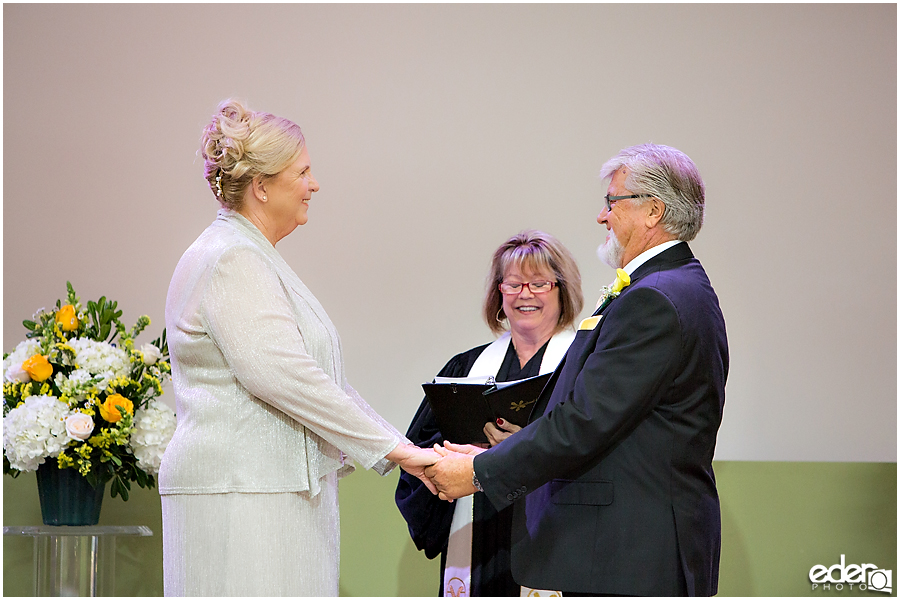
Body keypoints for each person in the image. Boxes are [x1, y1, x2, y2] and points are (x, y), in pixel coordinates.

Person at [159, 99, 437, 597]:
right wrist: (398, 450)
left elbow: (316, 376)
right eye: (303, 171)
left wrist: (403, 447)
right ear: (262, 186)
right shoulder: (233, 258)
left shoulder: (249, 253)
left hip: (264, 488)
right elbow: (283, 375)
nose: (314, 184)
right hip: (243, 491)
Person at [425, 143, 729, 596]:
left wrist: (479, 472)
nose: (603, 216)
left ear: (653, 211)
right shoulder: (672, 287)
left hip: (631, 552)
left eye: (613, 202)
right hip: (626, 545)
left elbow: (586, 420)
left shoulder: (655, 298)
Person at [396, 230, 584, 597]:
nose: (525, 294)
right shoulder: (464, 370)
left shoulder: (585, 368)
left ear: (562, 290)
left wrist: (527, 447)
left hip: (559, 540)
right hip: (480, 539)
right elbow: (419, 454)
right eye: (513, 284)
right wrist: (459, 449)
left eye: (539, 283)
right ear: (499, 293)